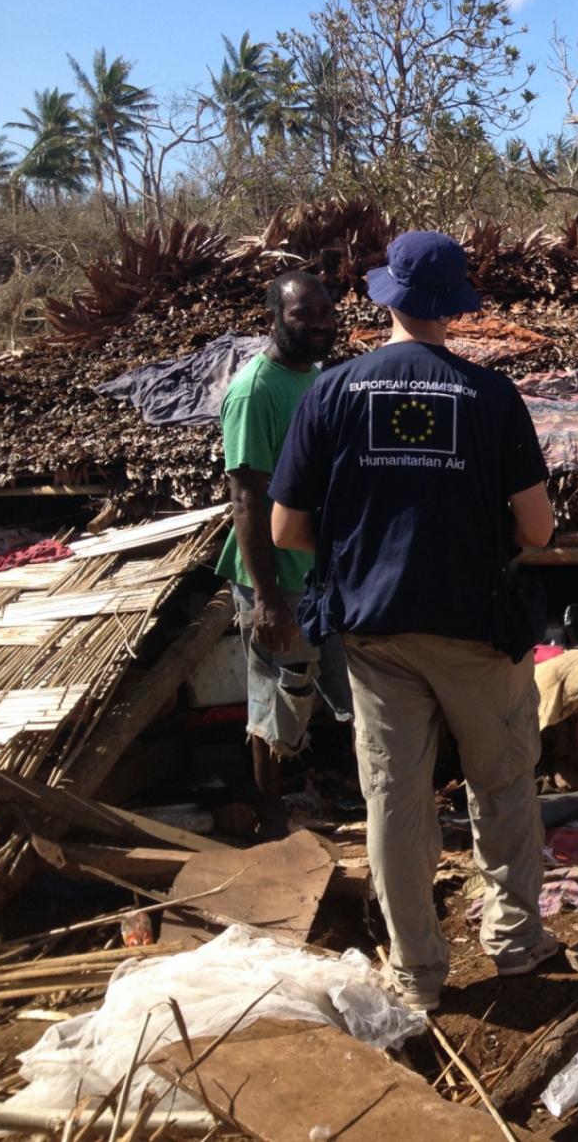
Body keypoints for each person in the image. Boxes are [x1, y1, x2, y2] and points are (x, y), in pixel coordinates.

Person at [268, 231, 558, 1011]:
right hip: (476, 628)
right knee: (501, 784)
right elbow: (536, 529)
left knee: (394, 797)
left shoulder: (330, 393)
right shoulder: (492, 396)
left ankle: (418, 970)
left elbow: (284, 530)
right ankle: (516, 941)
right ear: (453, 307)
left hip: (373, 633)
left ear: (386, 298)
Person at [216, 271, 352, 839]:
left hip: (325, 570)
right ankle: (270, 812)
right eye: (304, 314)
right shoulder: (256, 391)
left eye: (325, 312)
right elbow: (246, 497)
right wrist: (267, 598)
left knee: (347, 689)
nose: (320, 324)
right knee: (275, 697)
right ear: (274, 316)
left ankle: (356, 793)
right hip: (279, 578)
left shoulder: (318, 379)